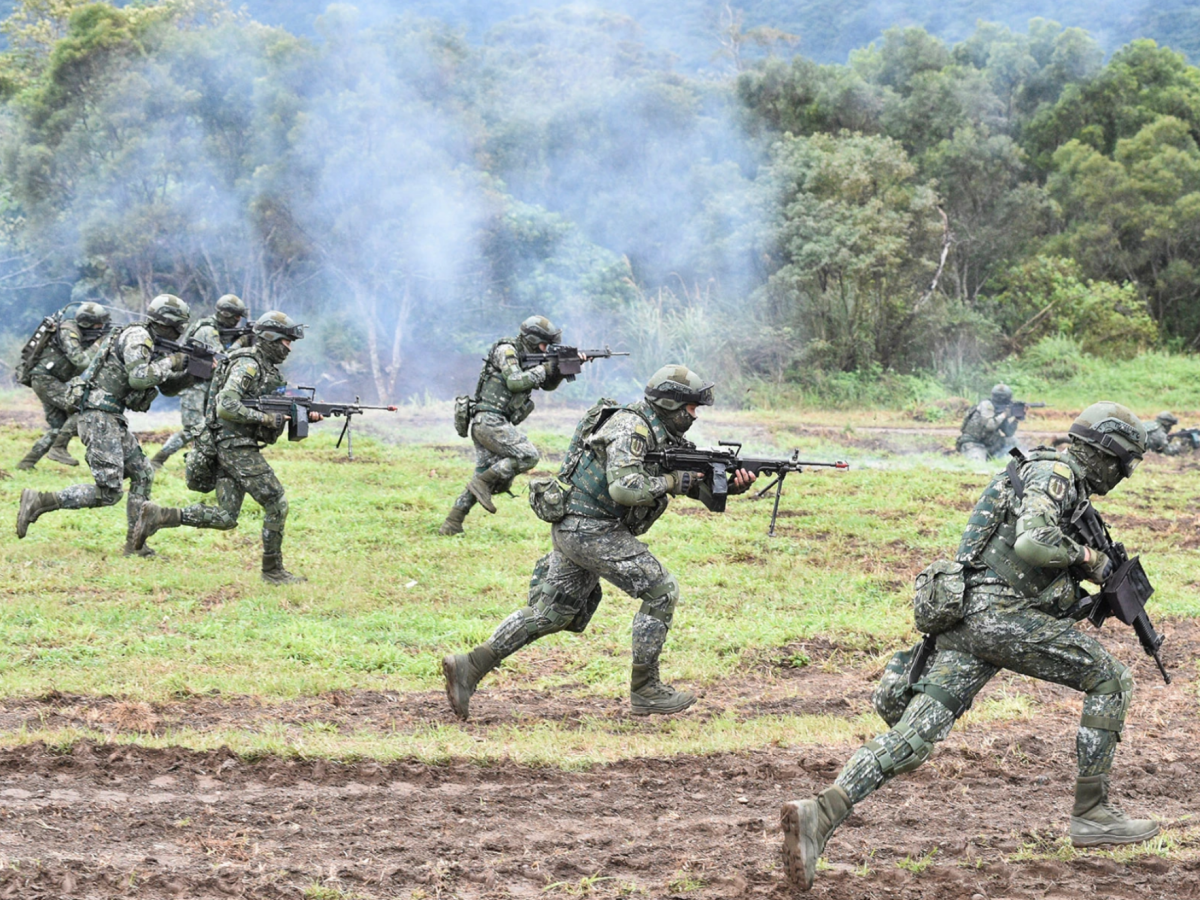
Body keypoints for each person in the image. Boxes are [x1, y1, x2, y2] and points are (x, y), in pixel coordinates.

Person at [780, 402, 1158, 891]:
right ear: (1107, 452)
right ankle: (1091, 813)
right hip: (999, 617)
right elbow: (1032, 543)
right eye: (1126, 461)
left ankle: (818, 814)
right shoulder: (1056, 475)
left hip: (968, 620)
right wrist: (1089, 559)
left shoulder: (1051, 477)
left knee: (915, 739)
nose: (1126, 473)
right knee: (1111, 677)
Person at [442, 364, 756, 719]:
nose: (694, 416)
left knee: (551, 614)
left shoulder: (661, 431)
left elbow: (695, 487)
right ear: (670, 404)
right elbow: (624, 489)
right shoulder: (631, 428)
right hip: (590, 528)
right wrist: (673, 482)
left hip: (579, 527)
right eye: (691, 408)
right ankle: (646, 689)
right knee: (661, 590)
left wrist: (728, 485)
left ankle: (469, 666)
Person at [131, 311, 321, 584]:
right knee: (276, 502)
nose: (288, 348)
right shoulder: (248, 365)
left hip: (228, 445)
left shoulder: (265, 368)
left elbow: (272, 404)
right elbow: (227, 404)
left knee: (225, 517)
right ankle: (273, 571)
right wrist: (267, 418)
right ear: (270, 338)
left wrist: (305, 414)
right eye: (285, 342)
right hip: (234, 446)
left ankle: (158, 516)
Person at [16, 295, 194, 555]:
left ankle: (136, 545)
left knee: (143, 474)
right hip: (98, 416)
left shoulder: (151, 341)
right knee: (109, 492)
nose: (181, 331)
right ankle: (39, 501)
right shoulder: (138, 337)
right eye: (180, 325)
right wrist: (172, 361)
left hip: (110, 416)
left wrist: (193, 373)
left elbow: (166, 388)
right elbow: (139, 378)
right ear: (169, 323)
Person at [439, 315, 573, 535]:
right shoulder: (507, 350)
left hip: (490, 423)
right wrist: (544, 369)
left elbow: (547, 385)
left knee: (481, 473)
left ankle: (452, 522)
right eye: (543, 343)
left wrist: (563, 368)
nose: (545, 348)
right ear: (531, 339)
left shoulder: (529, 355)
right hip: (490, 421)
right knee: (528, 456)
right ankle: (483, 483)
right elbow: (515, 381)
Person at [150, 294, 250, 469]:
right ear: (225, 314)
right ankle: (159, 459)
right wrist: (240, 343)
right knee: (193, 428)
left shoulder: (220, 330)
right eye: (236, 316)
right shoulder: (207, 330)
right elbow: (221, 360)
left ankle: (199, 460)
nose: (238, 320)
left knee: (212, 426)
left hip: (207, 384)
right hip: (193, 384)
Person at [16, 302, 111, 470]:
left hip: (48, 381)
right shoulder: (69, 332)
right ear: (87, 323)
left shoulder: (81, 332)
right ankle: (58, 449)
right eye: (99, 324)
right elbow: (81, 362)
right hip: (45, 380)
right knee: (85, 406)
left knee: (57, 428)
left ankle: (26, 464)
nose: (102, 327)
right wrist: (99, 344)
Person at [957, 383, 1020, 462]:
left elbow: (1009, 433)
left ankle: (1021, 462)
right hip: (974, 443)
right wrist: (1004, 414)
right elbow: (990, 425)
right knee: (977, 464)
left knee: (1013, 441)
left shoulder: (1003, 410)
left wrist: (1016, 419)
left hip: (991, 444)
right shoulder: (986, 405)